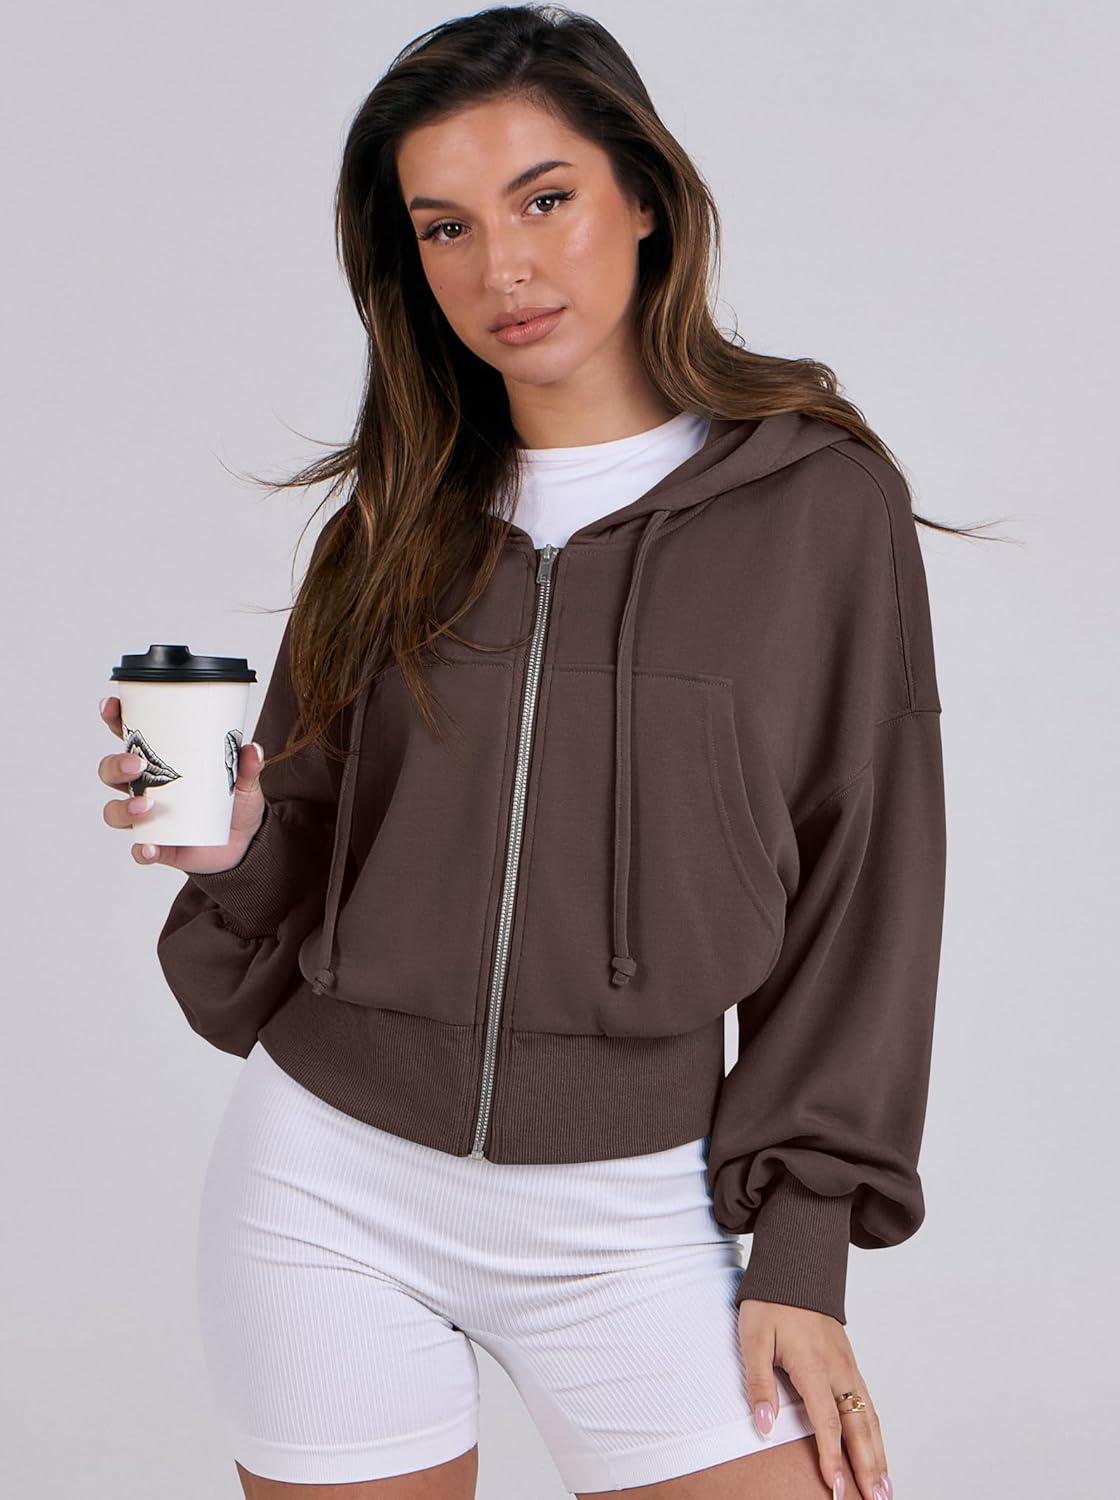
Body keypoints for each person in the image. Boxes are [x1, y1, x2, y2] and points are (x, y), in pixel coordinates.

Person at [99, 7, 968, 1497]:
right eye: (444, 226)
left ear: (644, 197)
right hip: (327, 1188)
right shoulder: (394, 516)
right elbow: (311, 853)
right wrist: (230, 847)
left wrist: (803, 1250)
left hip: (638, 1214)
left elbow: (866, 882)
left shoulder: (820, 507)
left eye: (543, 199)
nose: (499, 267)